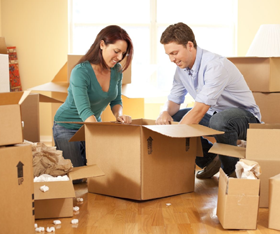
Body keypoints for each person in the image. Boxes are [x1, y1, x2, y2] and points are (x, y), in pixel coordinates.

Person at [156, 22, 261, 179]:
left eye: (175, 53)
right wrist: (164, 113)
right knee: (176, 117)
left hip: (245, 118)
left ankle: (231, 172)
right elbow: (173, 101)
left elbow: (199, 111)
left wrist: (172, 138)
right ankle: (210, 160)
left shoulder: (214, 66)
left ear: (190, 45)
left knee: (218, 121)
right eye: (169, 55)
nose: (172, 59)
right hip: (214, 114)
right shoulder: (181, 70)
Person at [53, 25, 134, 175]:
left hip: (92, 124)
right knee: (79, 175)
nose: (120, 58)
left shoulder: (116, 71)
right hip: (67, 127)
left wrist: (119, 115)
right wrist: (99, 137)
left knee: (100, 172)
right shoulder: (80, 71)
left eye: (123, 53)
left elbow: (116, 101)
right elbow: (84, 110)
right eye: (116, 51)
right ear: (102, 44)